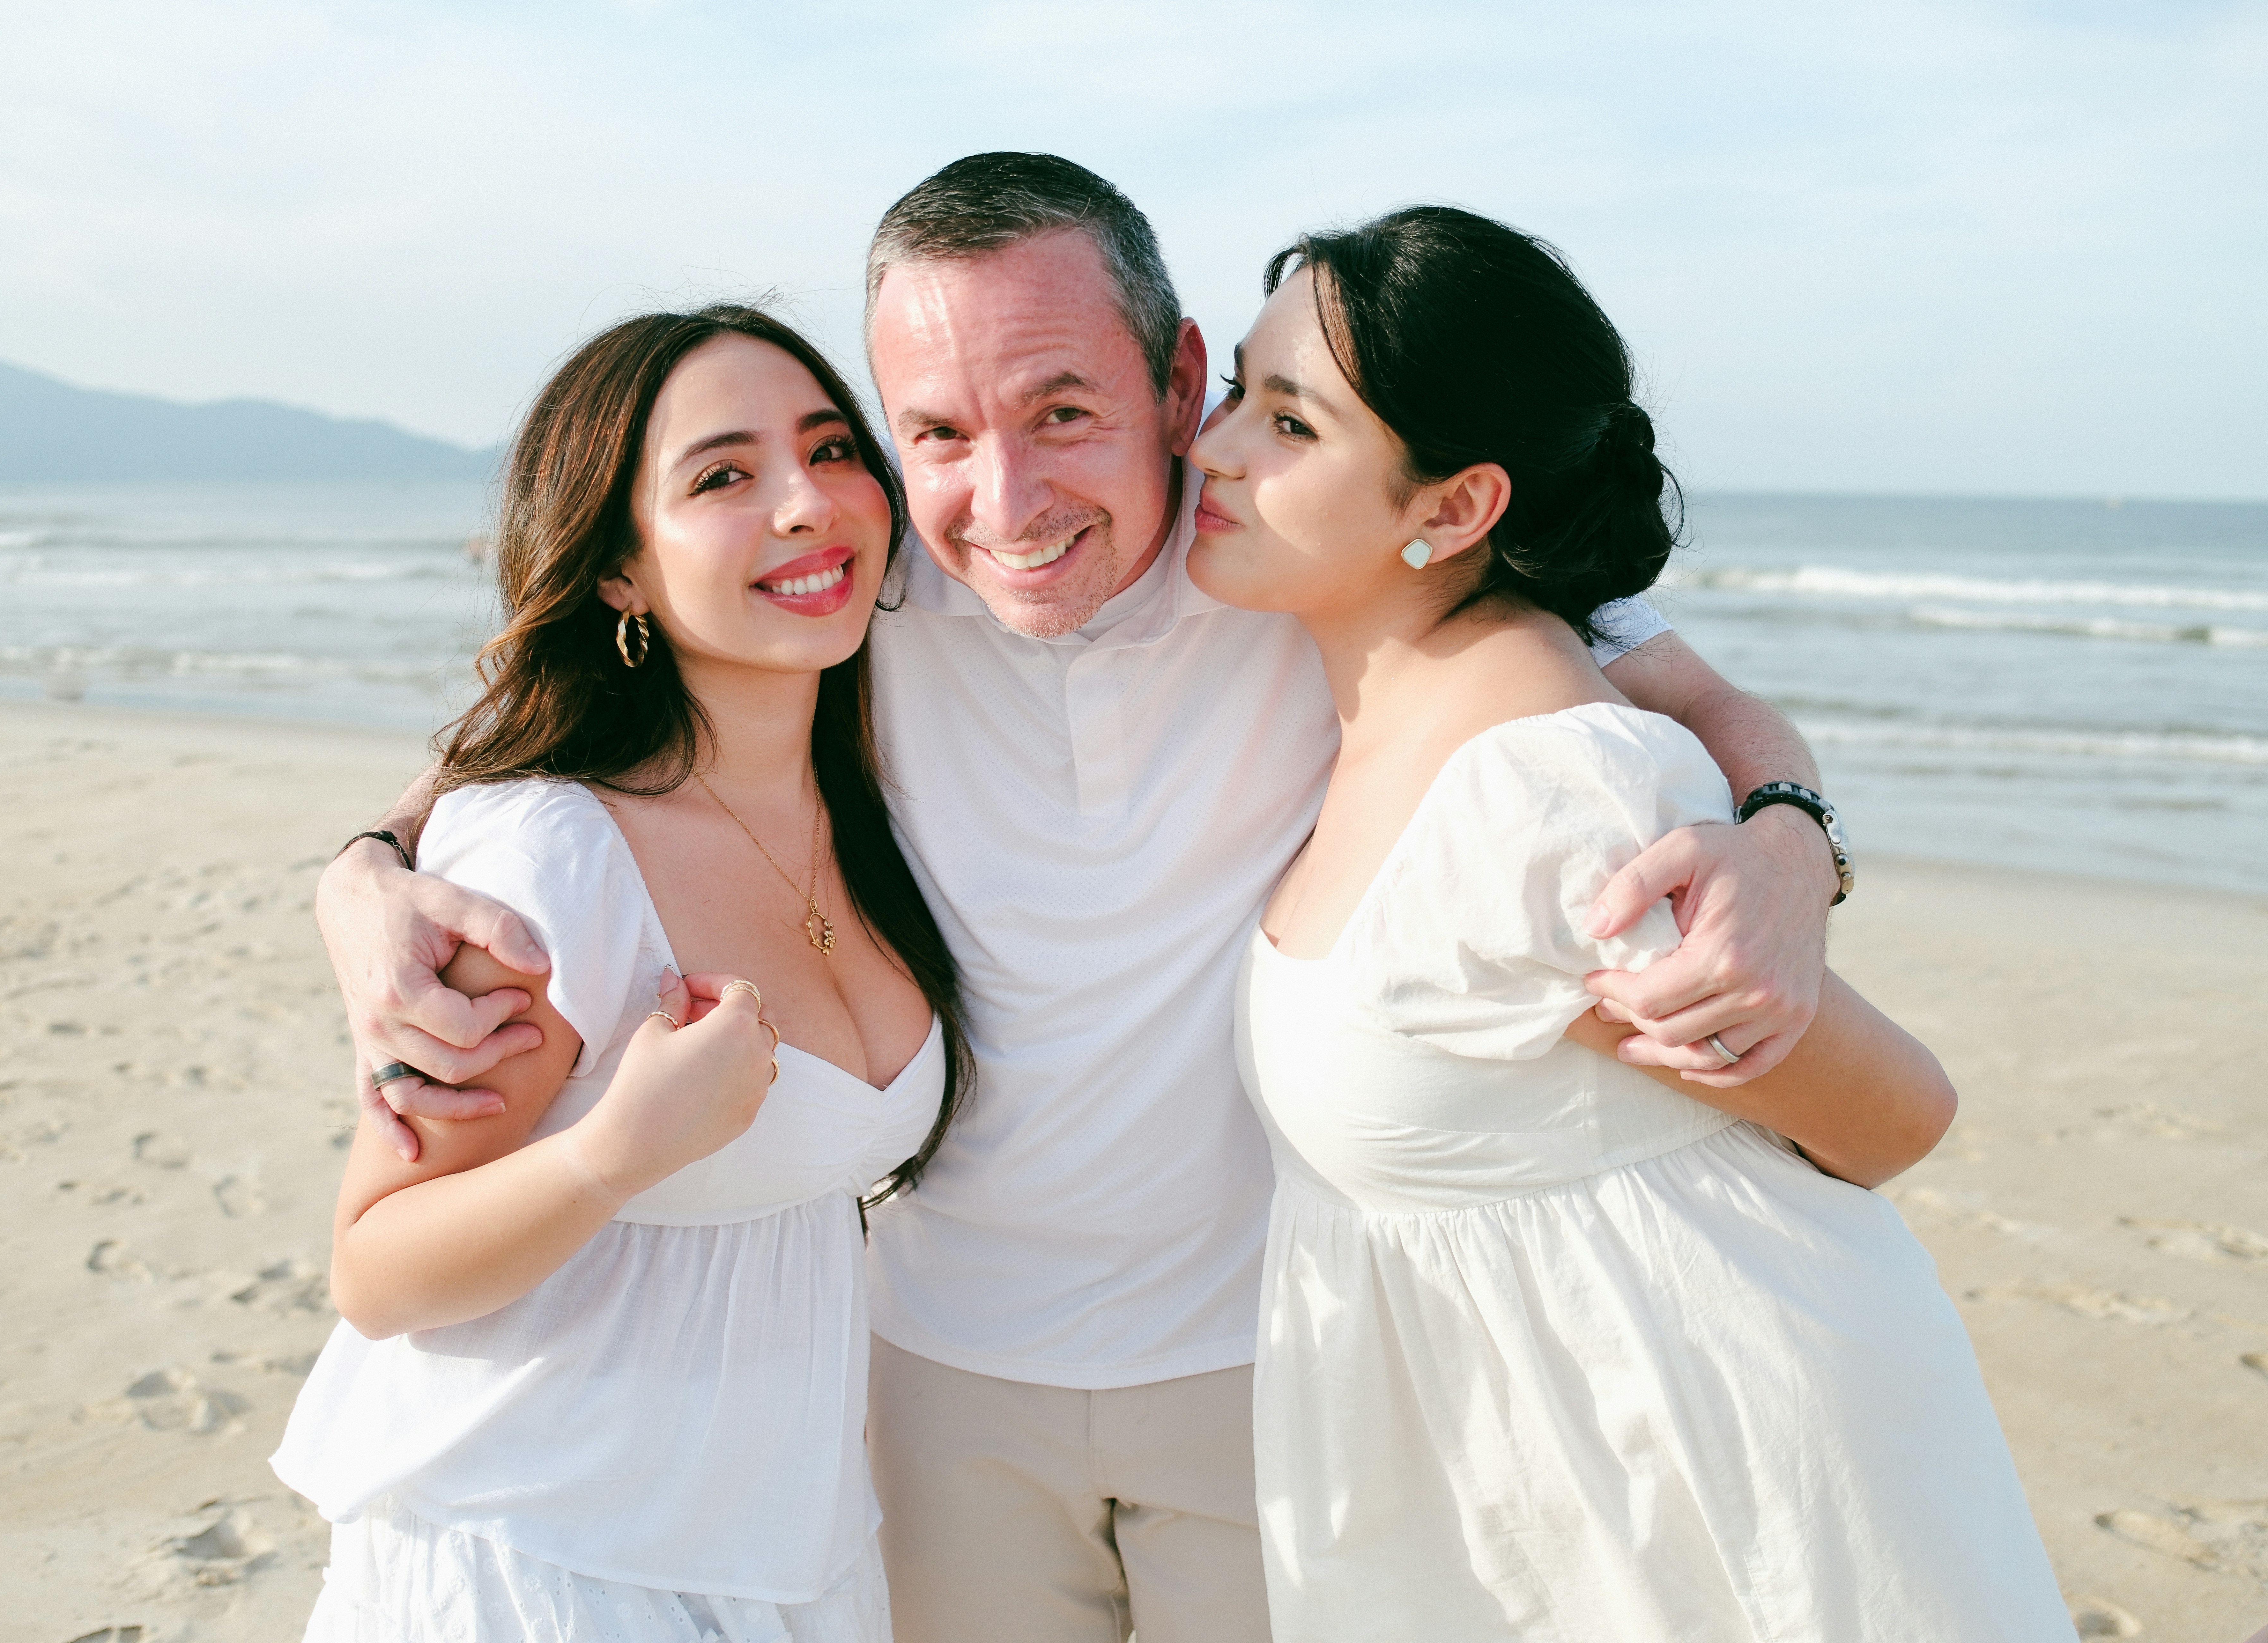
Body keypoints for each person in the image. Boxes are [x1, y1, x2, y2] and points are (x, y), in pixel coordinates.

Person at [316, 156, 1870, 1643]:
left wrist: (1791, 843)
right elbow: (543, 763)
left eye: (1064, 412)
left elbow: (1695, 701)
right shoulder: (874, 585)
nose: (1006, 496)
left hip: (1268, 1352)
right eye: (933, 432)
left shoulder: (1300, 559)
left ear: (1180, 383)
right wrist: (366, 878)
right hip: (932, 1369)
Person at [1192, 205, 2073, 1640]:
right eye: (1239, 389)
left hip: (1703, 1504)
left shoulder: (1554, 797)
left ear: (1454, 508)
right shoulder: (1410, 671)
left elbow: (1897, 1115)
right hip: (1512, 1488)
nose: (1215, 448)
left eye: (1291, 425)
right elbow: (1720, 699)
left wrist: (1785, 862)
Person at [271, 305, 970, 1641]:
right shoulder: (549, 862)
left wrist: (360, 850)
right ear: (620, 575)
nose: (804, 504)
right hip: (547, 1558)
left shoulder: (878, 781)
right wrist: (616, 1155)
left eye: (831, 450)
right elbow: (376, 1270)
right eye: (722, 477)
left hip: (792, 1552)